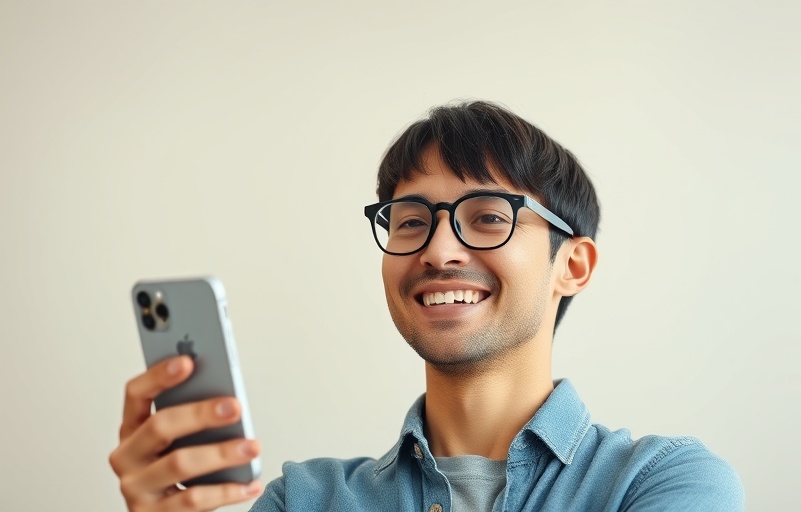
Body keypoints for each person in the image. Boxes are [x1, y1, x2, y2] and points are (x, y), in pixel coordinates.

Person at [110, 101, 745, 511]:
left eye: (489, 216)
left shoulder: (665, 484)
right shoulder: (303, 500)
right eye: (411, 221)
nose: (439, 251)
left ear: (570, 266)